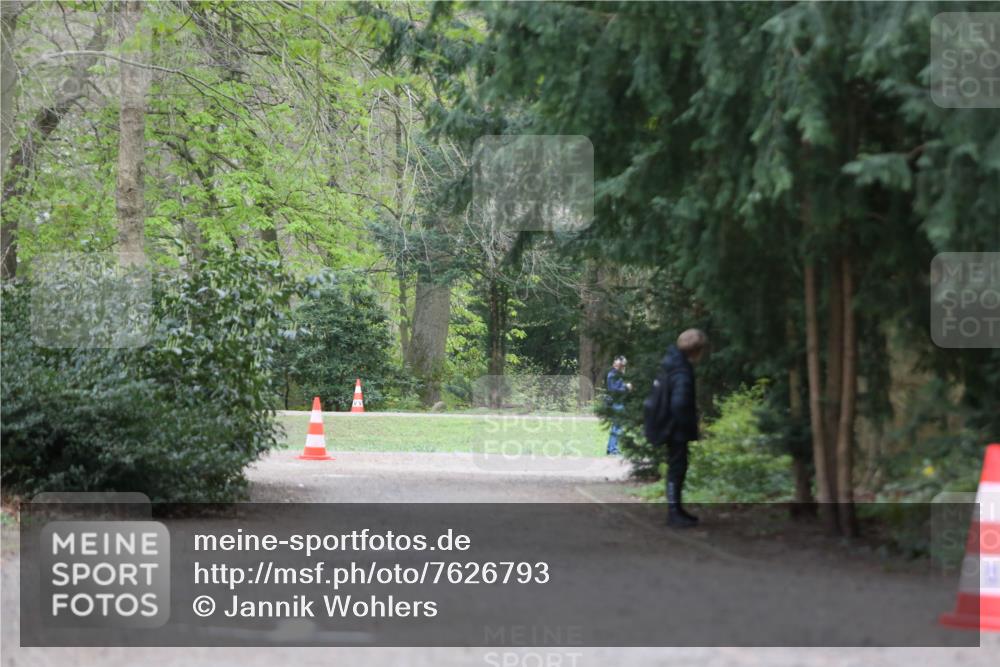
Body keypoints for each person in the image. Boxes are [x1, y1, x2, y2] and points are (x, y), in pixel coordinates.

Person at [659, 329, 707, 528]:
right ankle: (673, 513)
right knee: (677, 469)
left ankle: (676, 510)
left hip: (670, 426)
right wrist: (687, 425)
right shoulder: (682, 370)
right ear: (696, 350)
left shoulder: (672, 363)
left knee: (677, 468)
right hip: (677, 428)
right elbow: (679, 402)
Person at [605, 355, 632, 455]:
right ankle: (613, 450)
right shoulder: (612, 375)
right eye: (621, 364)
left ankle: (610, 448)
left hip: (618, 403)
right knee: (617, 427)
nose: (622, 366)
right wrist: (626, 388)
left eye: (623, 365)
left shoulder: (617, 374)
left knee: (616, 427)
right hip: (616, 403)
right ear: (615, 364)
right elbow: (614, 390)